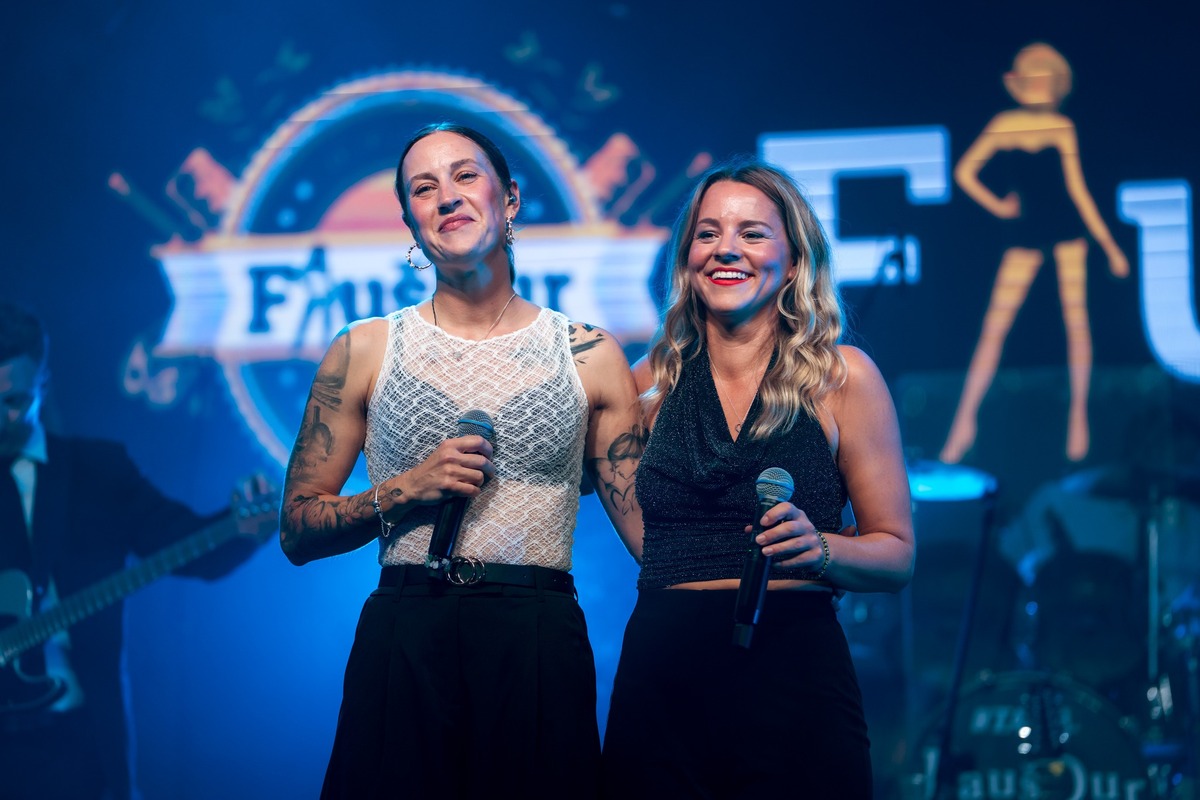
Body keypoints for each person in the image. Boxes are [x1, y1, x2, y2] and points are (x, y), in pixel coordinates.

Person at [279, 122, 645, 799]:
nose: (446, 195)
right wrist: (404, 490)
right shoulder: (363, 348)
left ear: (510, 199)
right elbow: (297, 529)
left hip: (536, 635)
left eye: (465, 175)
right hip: (406, 629)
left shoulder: (591, 353)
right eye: (423, 188)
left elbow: (651, 538)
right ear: (410, 224)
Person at [600, 158, 915, 800]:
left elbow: (897, 553)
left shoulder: (842, 377)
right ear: (687, 258)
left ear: (794, 262)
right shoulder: (646, 384)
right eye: (708, 233)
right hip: (663, 678)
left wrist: (821, 549)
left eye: (752, 233)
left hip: (793, 676)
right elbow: (585, 486)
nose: (726, 249)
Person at [0, 301, 278, 800]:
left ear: (42, 382)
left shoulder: (96, 471)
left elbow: (190, 549)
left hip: (76, 743)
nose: (1, 418)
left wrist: (243, 527)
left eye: (14, 401)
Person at [939, 42, 1129, 465]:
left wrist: (1109, 246)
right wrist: (999, 206)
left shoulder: (1062, 127)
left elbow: (1077, 191)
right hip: (1026, 232)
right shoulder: (1004, 124)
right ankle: (964, 422)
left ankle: (1078, 417)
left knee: (1076, 321)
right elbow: (966, 172)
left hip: (1067, 232)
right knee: (995, 327)